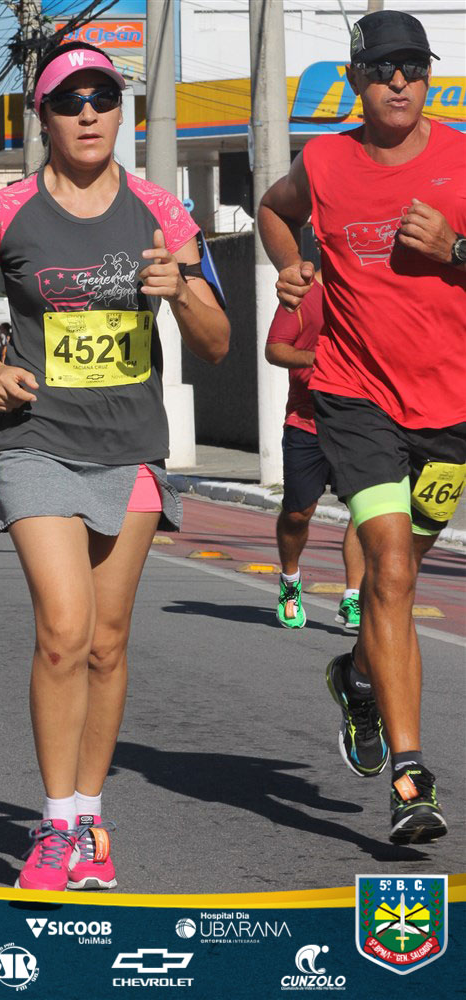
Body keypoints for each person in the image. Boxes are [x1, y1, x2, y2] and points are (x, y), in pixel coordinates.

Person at [0, 40, 229, 891]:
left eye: (103, 98)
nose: (89, 113)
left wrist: (181, 290)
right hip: (36, 441)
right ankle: (57, 823)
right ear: (44, 118)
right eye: (69, 101)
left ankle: (91, 816)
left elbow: (217, 343)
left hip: (129, 450)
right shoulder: (7, 213)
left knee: (106, 642)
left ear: (120, 113)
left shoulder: (164, 214)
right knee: (63, 631)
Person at [258, 9, 465, 844]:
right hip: (355, 395)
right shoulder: (324, 161)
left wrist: (456, 250)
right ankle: (411, 778)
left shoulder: (461, 157)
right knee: (386, 566)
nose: (399, 82)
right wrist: (290, 265)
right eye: (382, 69)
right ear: (355, 81)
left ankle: (355, 676)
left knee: (400, 574)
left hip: (450, 407)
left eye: (412, 66)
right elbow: (272, 209)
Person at [266, 271, 364, 630]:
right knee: (298, 513)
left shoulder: (372, 291)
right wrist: (320, 358)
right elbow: (275, 348)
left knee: (365, 509)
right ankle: (290, 581)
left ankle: (353, 596)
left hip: (361, 422)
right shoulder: (303, 293)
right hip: (307, 421)